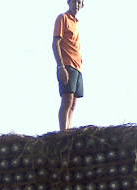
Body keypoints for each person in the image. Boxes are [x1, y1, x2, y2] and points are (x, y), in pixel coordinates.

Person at [52, 0, 84, 131]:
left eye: (79, 2)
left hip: (77, 66)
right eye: (75, 1)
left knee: (73, 103)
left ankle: (69, 132)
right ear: (69, 2)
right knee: (67, 100)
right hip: (67, 64)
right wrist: (61, 67)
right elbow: (55, 43)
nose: (77, 5)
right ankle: (63, 134)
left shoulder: (76, 22)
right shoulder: (62, 18)